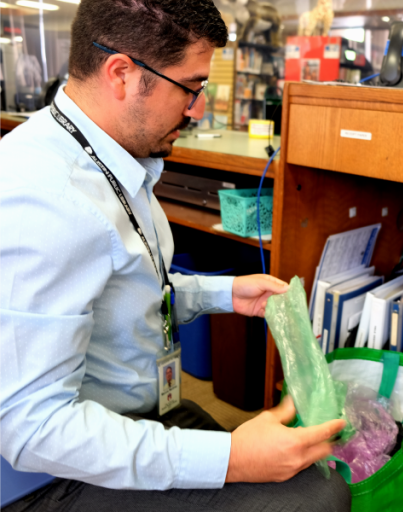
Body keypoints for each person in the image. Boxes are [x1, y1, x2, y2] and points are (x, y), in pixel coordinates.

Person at [0, 1, 350, 510]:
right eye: (191, 86)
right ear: (122, 73)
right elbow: (31, 428)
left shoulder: (108, 154)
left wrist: (223, 292)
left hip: (135, 413)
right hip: (51, 474)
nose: (198, 109)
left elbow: (117, 289)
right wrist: (232, 458)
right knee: (318, 496)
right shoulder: (45, 200)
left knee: (313, 471)